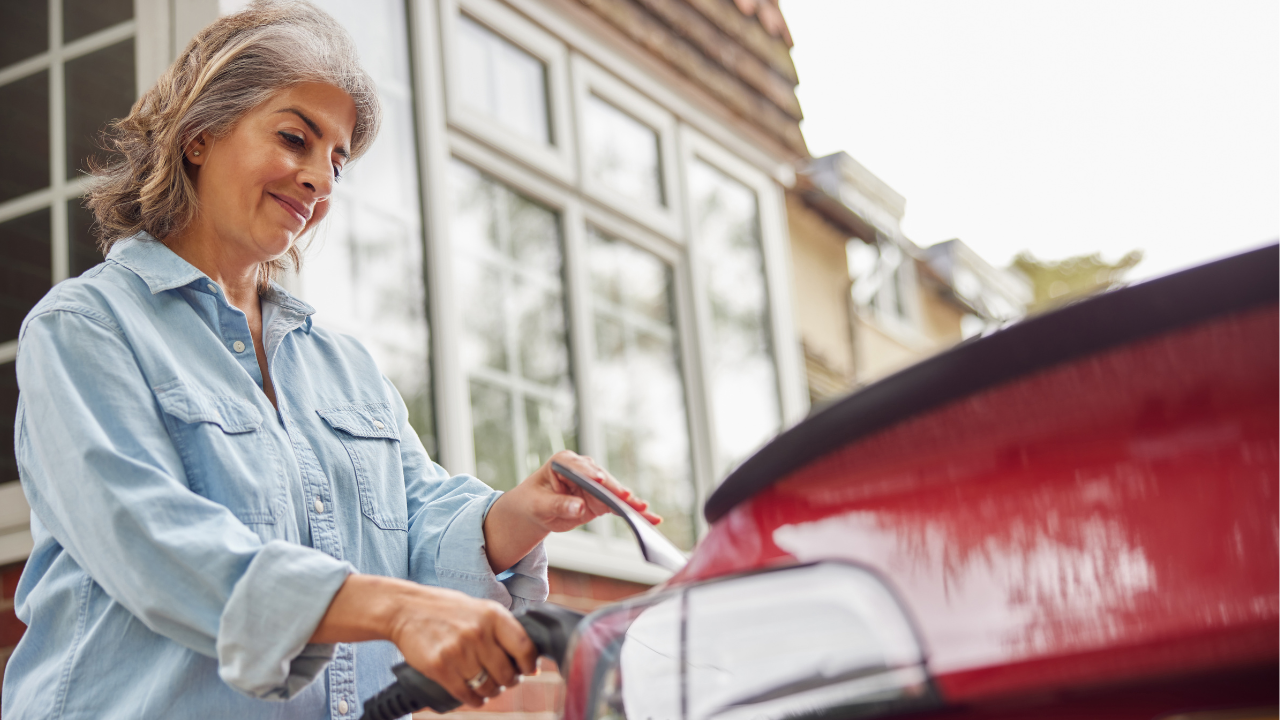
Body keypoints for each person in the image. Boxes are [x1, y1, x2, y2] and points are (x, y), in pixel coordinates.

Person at [0, 2, 660, 718]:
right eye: (295, 138)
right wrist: (392, 610)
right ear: (200, 136)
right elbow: (150, 542)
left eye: (338, 160)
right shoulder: (87, 328)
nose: (320, 178)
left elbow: (414, 522)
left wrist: (516, 515)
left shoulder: (341, 365)